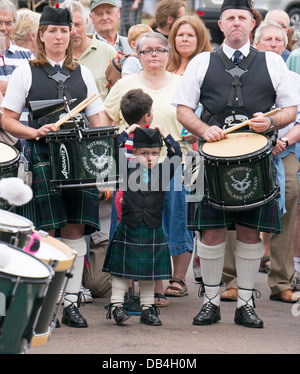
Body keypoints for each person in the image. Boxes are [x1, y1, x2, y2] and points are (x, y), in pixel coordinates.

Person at [172, 0, 300, 328]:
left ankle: (245, 303)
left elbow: (290, 108)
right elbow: (184, 108)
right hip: (211, 159)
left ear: (252, 23)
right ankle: (211, 302)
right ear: (221, 25)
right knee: (211, 232)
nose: (236, 23)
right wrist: (202, 129)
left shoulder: (272, 62)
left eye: (242, 18)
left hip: (257, 160)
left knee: (250, 233)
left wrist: (270, 124)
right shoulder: (202, 62)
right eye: (230, 18)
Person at [1, 4, 107, 328]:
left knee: (75, 227)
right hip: (43, 157)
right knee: (46, 230)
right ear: (41, 36)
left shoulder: (84, 74)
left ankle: (71, 301)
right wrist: (33, 131)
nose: (59, 36)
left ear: (71, 35)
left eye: (64, 30)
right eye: (52, 31)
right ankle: (45, 302)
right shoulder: (25, 72)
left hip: (79, 159)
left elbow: (98, 118)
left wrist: (104, 143)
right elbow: (7, 118)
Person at [103, 32, 195, 306]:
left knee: (171, 211)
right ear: (138, 55)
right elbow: (108, 120)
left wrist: (191, 133)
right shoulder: (125, 83)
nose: (154, 54)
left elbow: (194, 117)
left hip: (172, 163)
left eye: (160, 49)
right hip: (131, 163)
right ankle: (134, 285)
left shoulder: (182, 83)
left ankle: (168, 281)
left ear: (169, 54)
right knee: (131, 216)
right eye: (147, 51)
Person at [221, 20, 300, 304]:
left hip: (284, 151)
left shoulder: (294, 80)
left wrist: (285, 141)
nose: (274, 45)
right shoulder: (243, 75)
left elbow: (299, 120)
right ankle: (232, 281)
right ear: (257, 43)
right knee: (237, 210)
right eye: (268, 40)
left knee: (287, 210)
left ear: (285, 45)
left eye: (279, 40)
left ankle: (281, 282)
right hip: (245, 155)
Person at [103, 124, 182, 326]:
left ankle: (148, 309)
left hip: (152, 228)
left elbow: (177, 154)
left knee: (149, 273)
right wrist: (127, 132)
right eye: (144, 153)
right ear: (134, 153)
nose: (149, 158)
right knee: (122, 271)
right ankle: (116, 306)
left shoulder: (164, 172)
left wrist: (166, 135)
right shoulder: (126, 169)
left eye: (155, 153)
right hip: (129, 227)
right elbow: (114, 148)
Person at [165, 14, 212, 295]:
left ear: (199, 39)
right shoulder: (163, 67)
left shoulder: (208, 68)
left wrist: (200, 128)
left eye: (190, 35)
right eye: (180, 35)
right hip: (163, 155)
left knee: (190, 213)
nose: (185, 40)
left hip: (195, 154)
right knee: (165, 212)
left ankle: (181, 277)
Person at [61, 0, 117, 100]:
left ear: (87, 22)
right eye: (68, 26)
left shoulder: (108, 52)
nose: (73, 31)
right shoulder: (55, 55)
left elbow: (119, 95)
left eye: (78, 25)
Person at [0, 0, 34, 148]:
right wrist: (20, 89)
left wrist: (6, 88)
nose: (3, 28)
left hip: (27, 136)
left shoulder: (26, 55)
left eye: (8, 23)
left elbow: (36, 90)